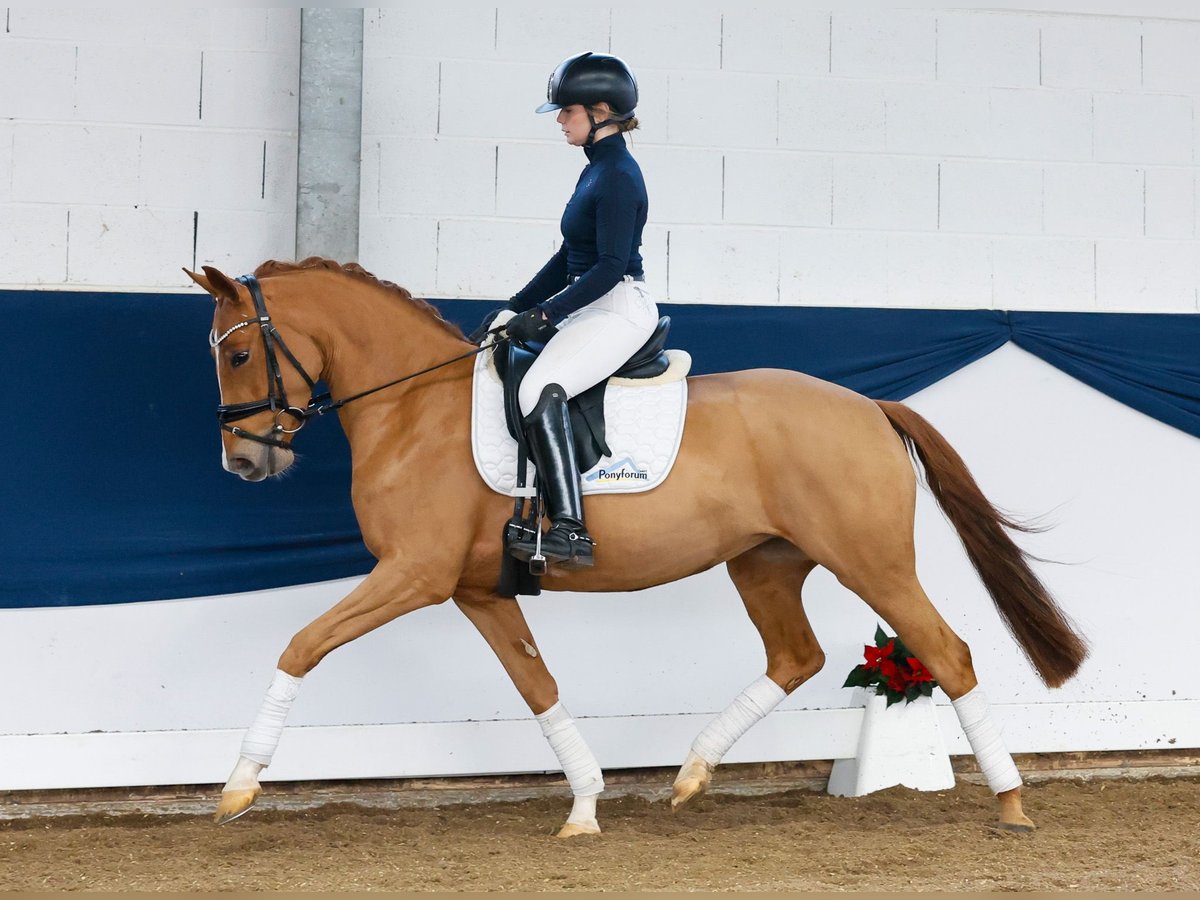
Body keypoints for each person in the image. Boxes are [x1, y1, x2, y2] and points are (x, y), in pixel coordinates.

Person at [486, 51, 658, 571]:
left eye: (568, 111)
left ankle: (570, 529)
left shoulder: (619, 175)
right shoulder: (596, 172)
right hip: (592, 304)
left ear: (601, 111)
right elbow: (568, 257)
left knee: (540, 389)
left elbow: (606, 267)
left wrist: (544, 316)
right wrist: (515, 307)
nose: (560, 120)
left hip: (617, 305)